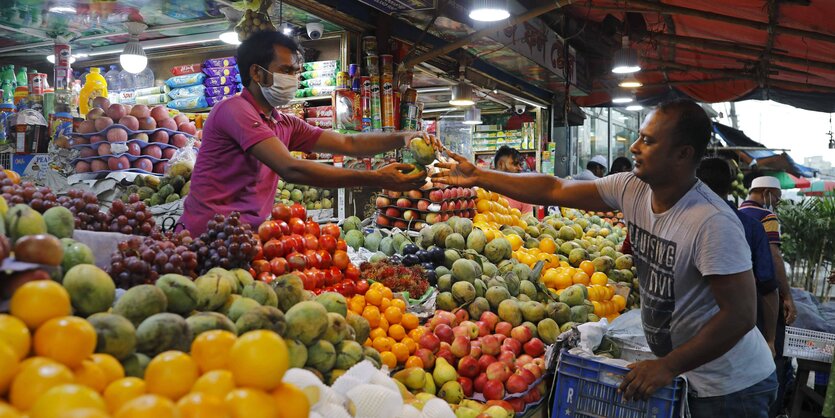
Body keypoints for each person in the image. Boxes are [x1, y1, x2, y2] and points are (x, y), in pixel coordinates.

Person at [432, 99, 776, 416]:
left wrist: (668, 365)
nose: (634, 148)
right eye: (639, 137)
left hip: (731, 386)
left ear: (683, 154)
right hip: (684, 375)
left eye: (648, 141)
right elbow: (554, 188)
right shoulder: (632, 188)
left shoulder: (712, 222)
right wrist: (480, 176)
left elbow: (741, 315)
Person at [180, 31, 435, 235]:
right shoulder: (234, 110)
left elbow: (348, 143)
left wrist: (404, 136)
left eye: (295, 72)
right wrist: (376, 178)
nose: (293, 78)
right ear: (256, 72)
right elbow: (291, 168)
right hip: (206, 235)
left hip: (245, 235)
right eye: (286, 71)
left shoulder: (284, 123)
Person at [697, 157, 779, 357]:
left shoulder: (681, 222)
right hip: (736, 335)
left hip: (690, 333)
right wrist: (770, 339)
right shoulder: (752, 226)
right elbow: (767, 284)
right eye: (777, 198)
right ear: (729, 187)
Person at [739, 175, 797, 416]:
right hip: (762, 296)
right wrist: (787, 296)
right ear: (765, 192)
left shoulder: (735, 212)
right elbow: (774, 259)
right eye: (777, 197)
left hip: (738, 297)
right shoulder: (766, 216)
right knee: (772, 353)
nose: (777, 203)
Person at [492, 146, 533, 214]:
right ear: (501, 164)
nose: (520, 168)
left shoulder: (523, 194)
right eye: (515, 164)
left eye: (520, 165)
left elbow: (529, 222)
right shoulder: (485, 191)